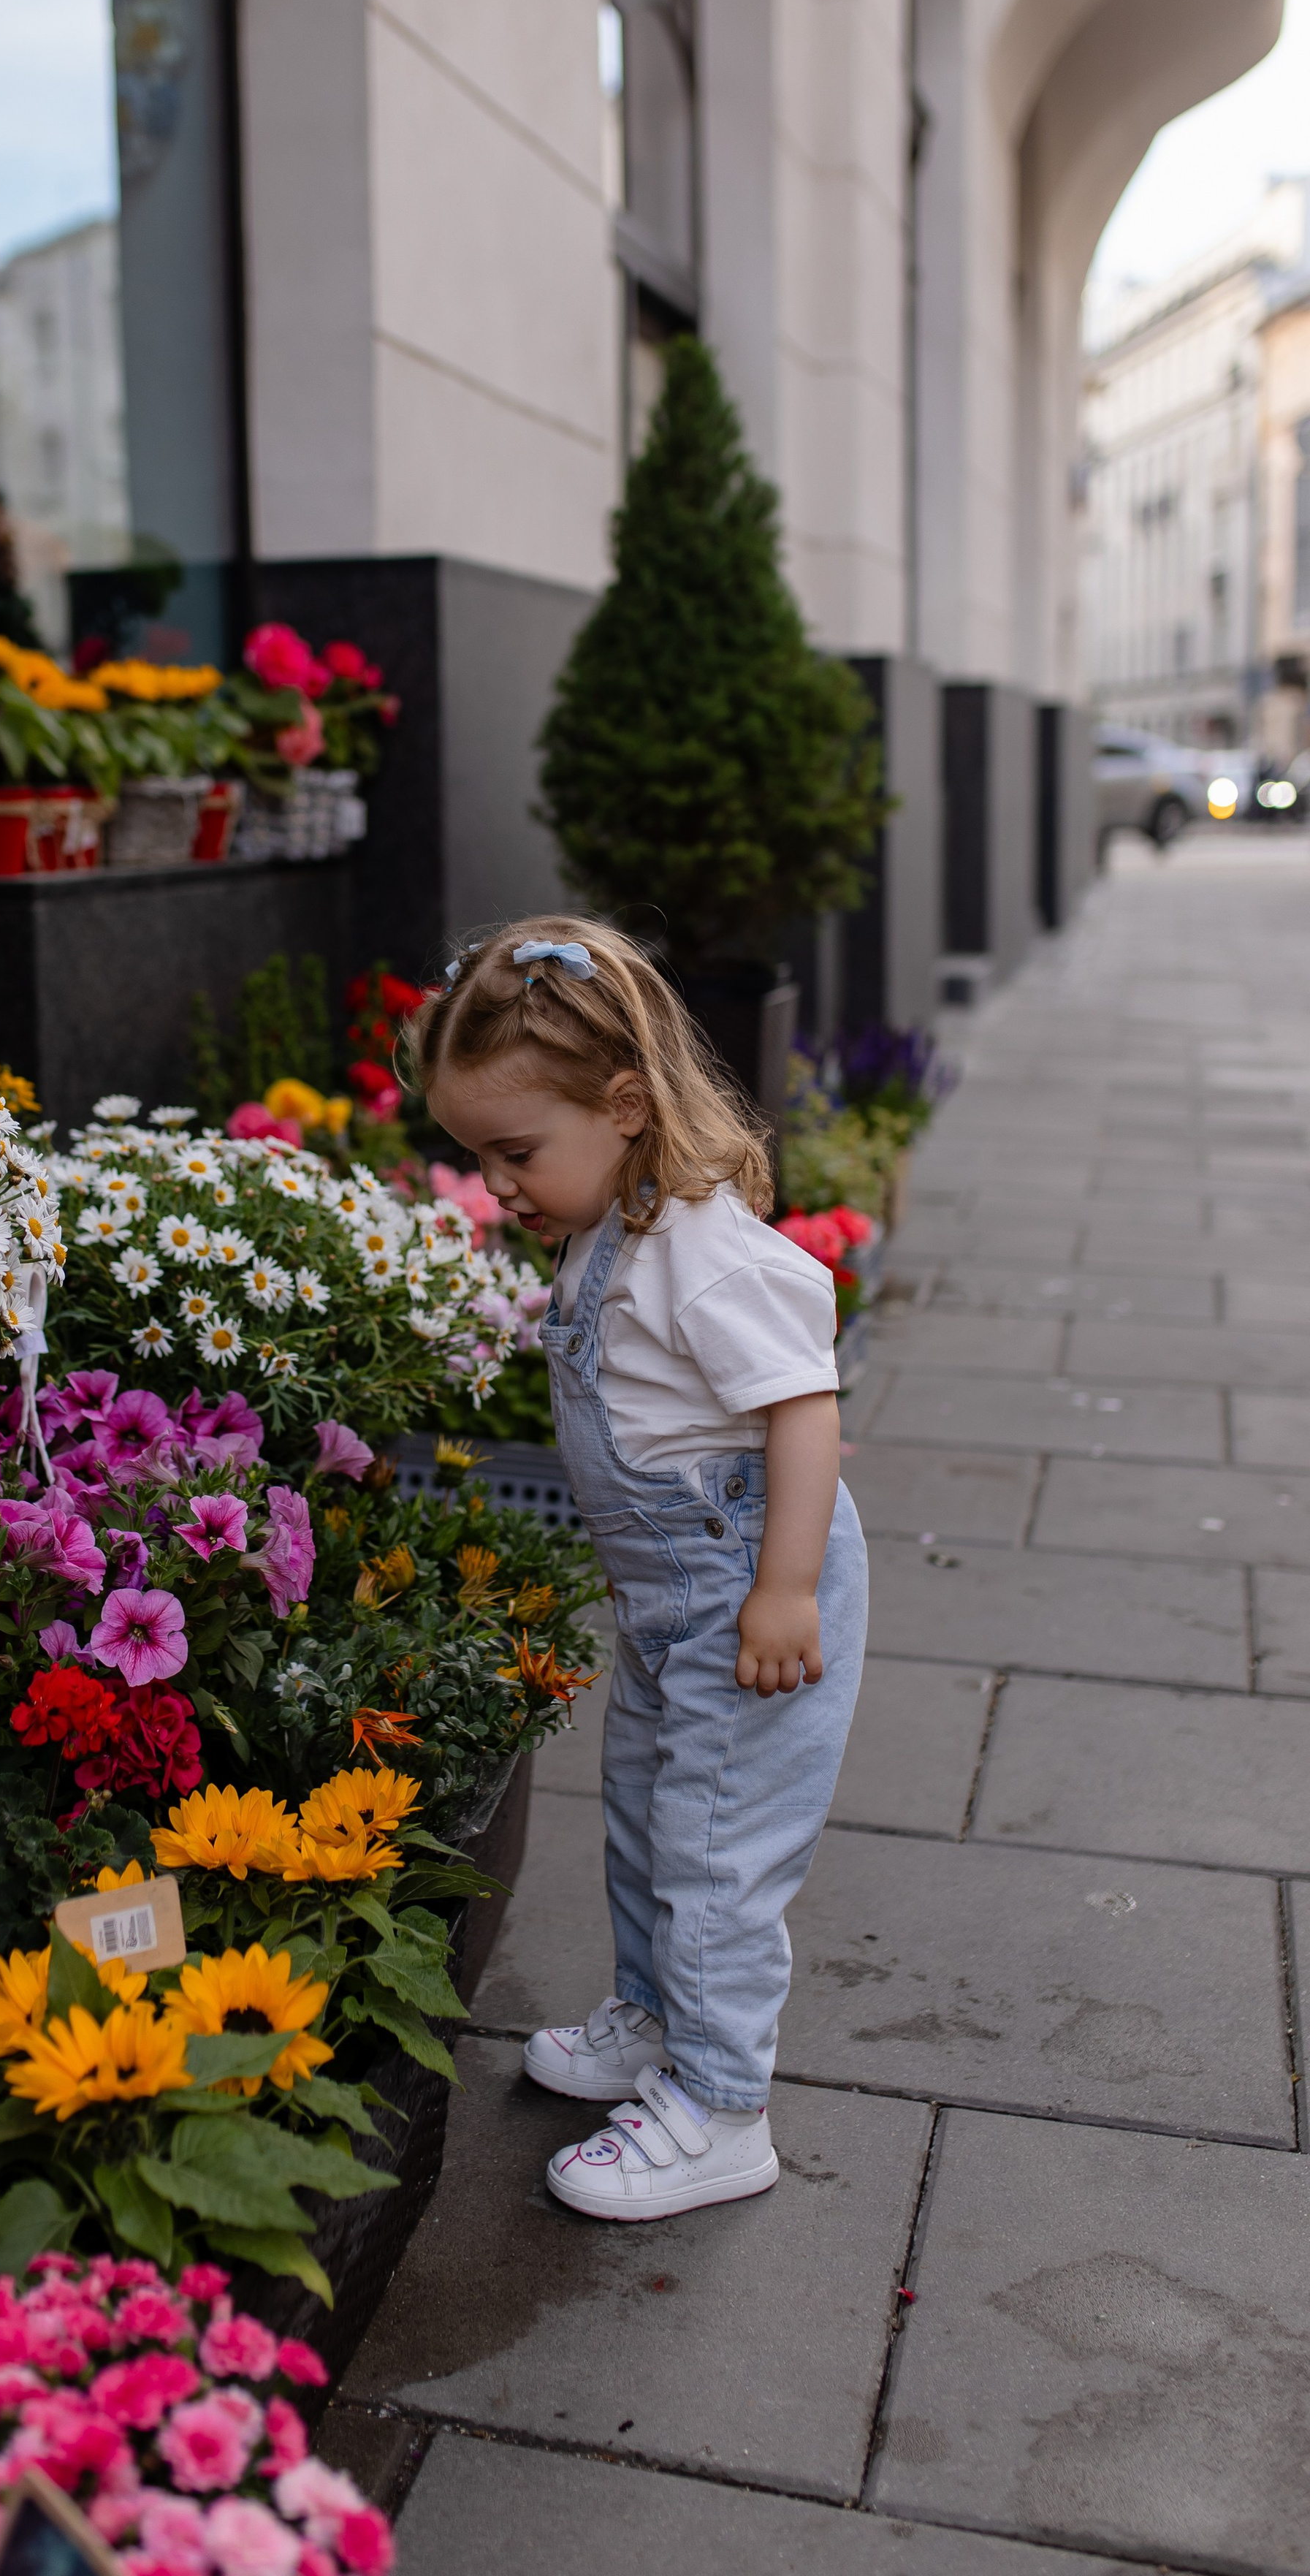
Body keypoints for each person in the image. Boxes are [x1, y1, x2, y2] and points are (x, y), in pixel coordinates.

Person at [405, 917, 866, 2220]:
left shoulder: (705, 1254)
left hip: (747, 1593)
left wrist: (783, 1591)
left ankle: (722, 2110)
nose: (497, 1184)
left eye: (515, 1153)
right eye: (478, 1157)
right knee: (651, 1816)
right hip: (677, 1602)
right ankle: (662, 2022)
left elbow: (804, 1408)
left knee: (718, 1853)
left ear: (623, 1106)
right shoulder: (614, 1222)